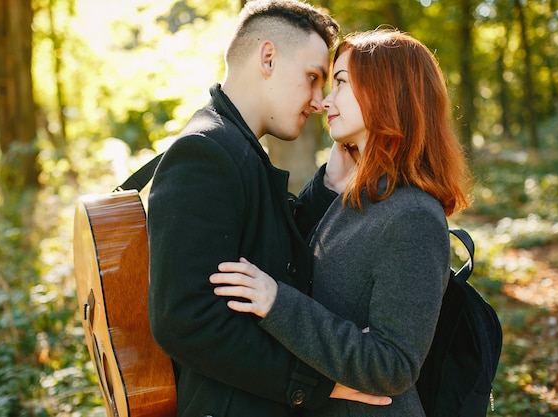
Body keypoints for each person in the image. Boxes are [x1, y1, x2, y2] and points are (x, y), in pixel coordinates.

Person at [210, 29, 472, 416]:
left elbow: (392, 366)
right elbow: (299, 264)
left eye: (341, 83)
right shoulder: (356, 196)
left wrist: (278, 303)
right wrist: (329, 185)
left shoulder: (414, 216)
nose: (325, 101)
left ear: (388, 92)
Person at [147, 1, 391, 416]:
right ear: (268, 57)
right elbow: (185, 320)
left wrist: (328, 186)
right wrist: (317, 383)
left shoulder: (235, 148)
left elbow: (274, 252)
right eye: (313, 78)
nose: (319, 101)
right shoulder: (204, 153)